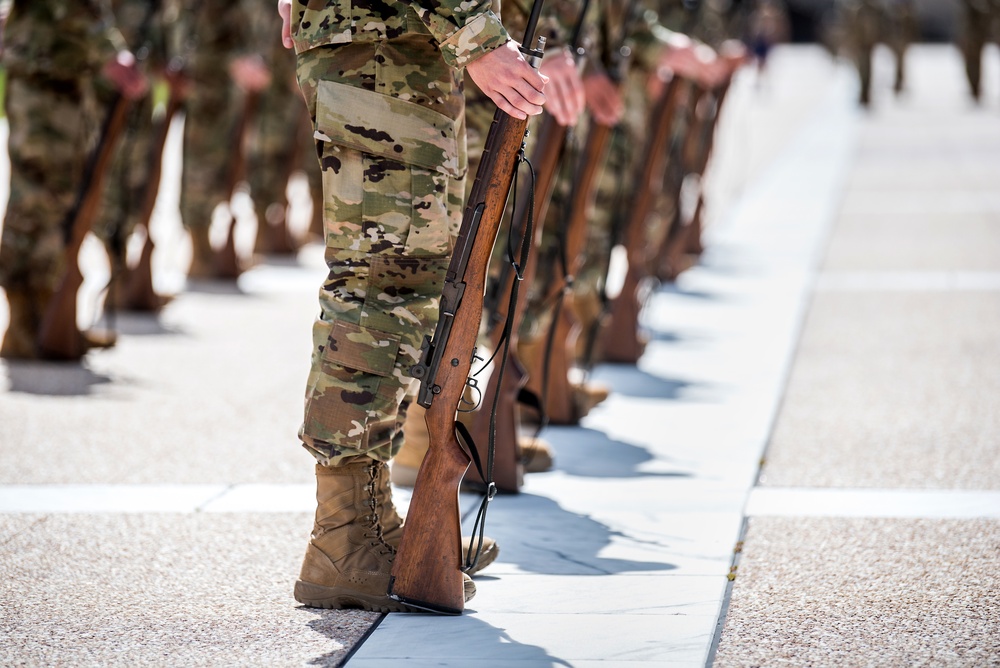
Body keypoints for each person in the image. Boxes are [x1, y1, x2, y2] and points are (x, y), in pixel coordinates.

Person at [277, 0, 547, 612]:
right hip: (383, 44)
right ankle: (344, 539)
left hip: (396, 43)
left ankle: (367, 518)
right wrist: (476, 31)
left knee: (410, 282)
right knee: (382, 285)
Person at [0, 0, 146, 359]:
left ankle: (40, 318)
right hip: (44, 78)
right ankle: (24, 325)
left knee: (57, 197)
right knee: (37, 197)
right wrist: (109, 50)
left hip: (59, 75)